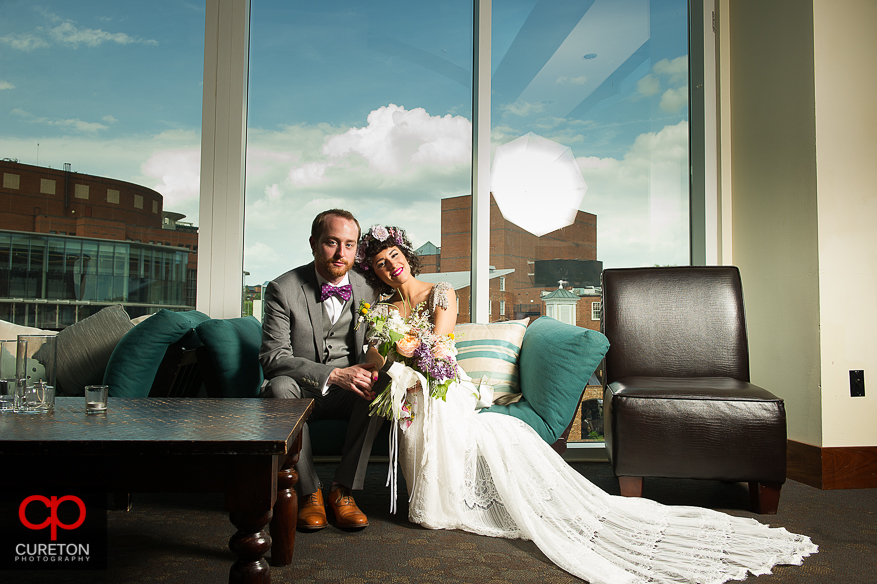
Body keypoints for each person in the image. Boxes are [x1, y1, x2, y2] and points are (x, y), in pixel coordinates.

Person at [355, 223, 818, 584]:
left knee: (432, 399)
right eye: (379, 262)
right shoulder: (385, 308)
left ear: (406, 256)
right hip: (408, 382)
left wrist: (409, 350)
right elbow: (378, 355)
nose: (389, 265)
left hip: (441, 378)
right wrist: (383, 350)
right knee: (408, 397)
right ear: (373, 272)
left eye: (394, 255)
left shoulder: (440, 292)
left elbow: (438, 345)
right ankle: (430, 493)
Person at [260, 209, 383, 531]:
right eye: (331, 243)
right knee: (277, 387)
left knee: (384, 386)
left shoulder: (369, 289)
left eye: (350, 244)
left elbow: (375, 344)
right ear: (314, 243)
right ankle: (309, 492)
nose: (341, 253)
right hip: (301, 389)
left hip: (349, 393)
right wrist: (332, 374)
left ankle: (342, 490)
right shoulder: (282, 289)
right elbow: (272, 358)